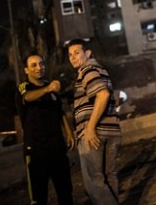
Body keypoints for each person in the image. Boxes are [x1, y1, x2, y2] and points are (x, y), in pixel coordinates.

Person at [66, 38, 121, 205]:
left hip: (94, 133)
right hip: (111, 131)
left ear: (87, 53)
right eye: (70, 55)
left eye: (77, 53)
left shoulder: (87, 70)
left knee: (94, 182)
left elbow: (102, 95)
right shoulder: (100, 70)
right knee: (108, 177)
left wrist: (89, 128)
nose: (73, 58)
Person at [17, 53, 74, 205]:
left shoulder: (51, 88)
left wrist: (69, 133)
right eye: (33, 65)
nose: (39, 68)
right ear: (26, 70)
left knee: (66, 192)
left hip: (57, 148)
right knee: (38, 197)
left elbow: (60, 111)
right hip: (36, 152)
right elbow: (28, 97)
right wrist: (47, 89)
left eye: (41, 64)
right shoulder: (24, 88)